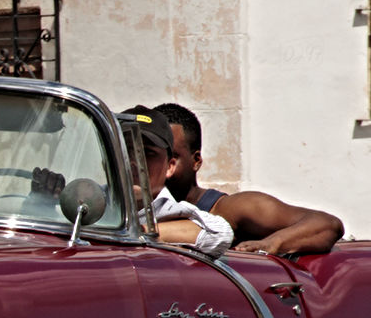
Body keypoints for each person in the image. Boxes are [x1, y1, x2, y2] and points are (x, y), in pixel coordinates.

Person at [153, 100, 346, 257]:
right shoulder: (130, 212)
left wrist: (272, 243)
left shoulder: (230, 209)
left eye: (171, 157)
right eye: (147, 155)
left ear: (196, 161)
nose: (157, 166)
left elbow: (327, 224)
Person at [120, 108, 233, 255]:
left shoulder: (172, 211)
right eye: (125, 150)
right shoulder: (90, 202)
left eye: (148, 153)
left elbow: (220, 233)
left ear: (169, 166)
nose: (134, 161)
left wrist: (143, 231)